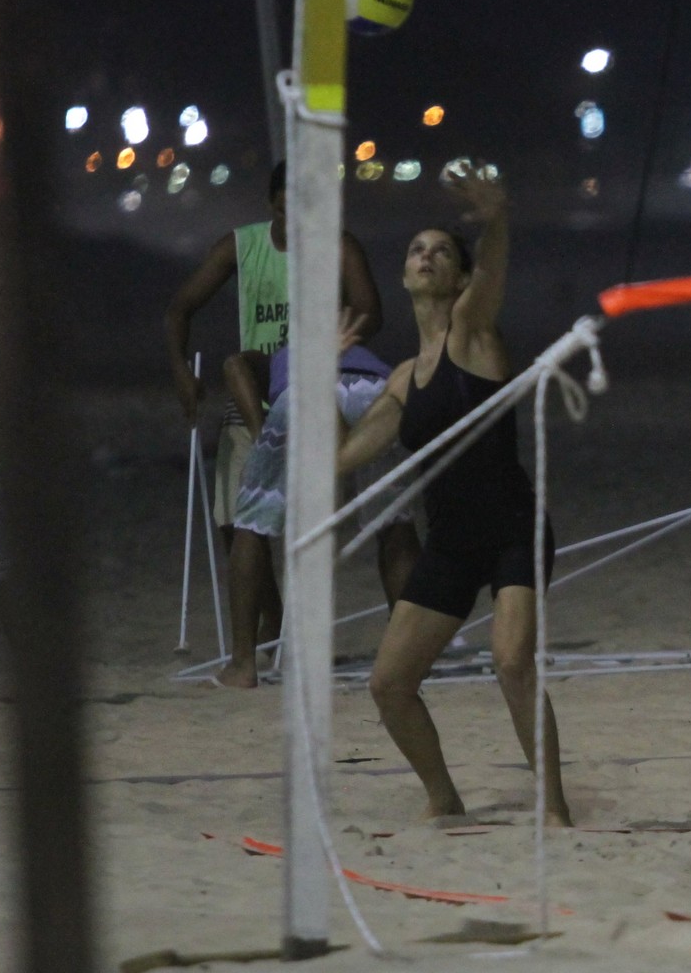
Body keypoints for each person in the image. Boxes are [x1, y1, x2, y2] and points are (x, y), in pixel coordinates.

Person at [337, 162, 571, 825]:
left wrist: (496, 218)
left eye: (441, 250)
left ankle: (555, 810)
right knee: (388, 684)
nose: (426, 256)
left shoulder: (473, 330)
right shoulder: (403, 379)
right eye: (416, 250)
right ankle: (444, 798)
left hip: (513, 529)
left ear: (461, 276)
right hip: (452, 543)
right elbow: (342, 458)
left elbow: (493, 268)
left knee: (510, 662)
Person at [165, 161, 383, 647]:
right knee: (232, 523)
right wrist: (181, 371)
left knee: (308, 526)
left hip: (317, 390)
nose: (294, 222)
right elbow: (181, 307)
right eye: (285, 210)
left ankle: (291, 634)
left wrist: (337, 334)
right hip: (256, 393)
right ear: (271, 205)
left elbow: (372, 311)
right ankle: (274, 622)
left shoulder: (339, 245)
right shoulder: (242, 246)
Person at [211, 341, 422, 688]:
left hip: (304, 393)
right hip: (377, 393)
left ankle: (242, 665)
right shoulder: (356, 349)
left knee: (250, 523)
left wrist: (261, 435)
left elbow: (234, 365)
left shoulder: (276, 357)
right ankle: (411, 658)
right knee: (394, 521)